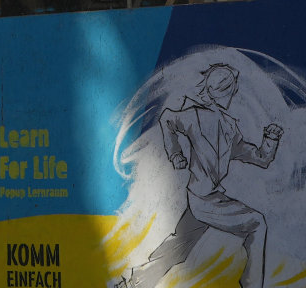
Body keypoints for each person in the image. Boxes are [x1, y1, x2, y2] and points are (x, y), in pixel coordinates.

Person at [115, 63, 283, 288]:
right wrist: (175, 154)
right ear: (226, 90)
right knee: (256, 224)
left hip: (203, 197)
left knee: (179, 246)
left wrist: (270, 141)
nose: (232, 92)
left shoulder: (229, 126)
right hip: (205, 199)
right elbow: (168, 119)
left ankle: (135, 282)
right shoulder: (196, 115)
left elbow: (260, 158)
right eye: (230, 88)